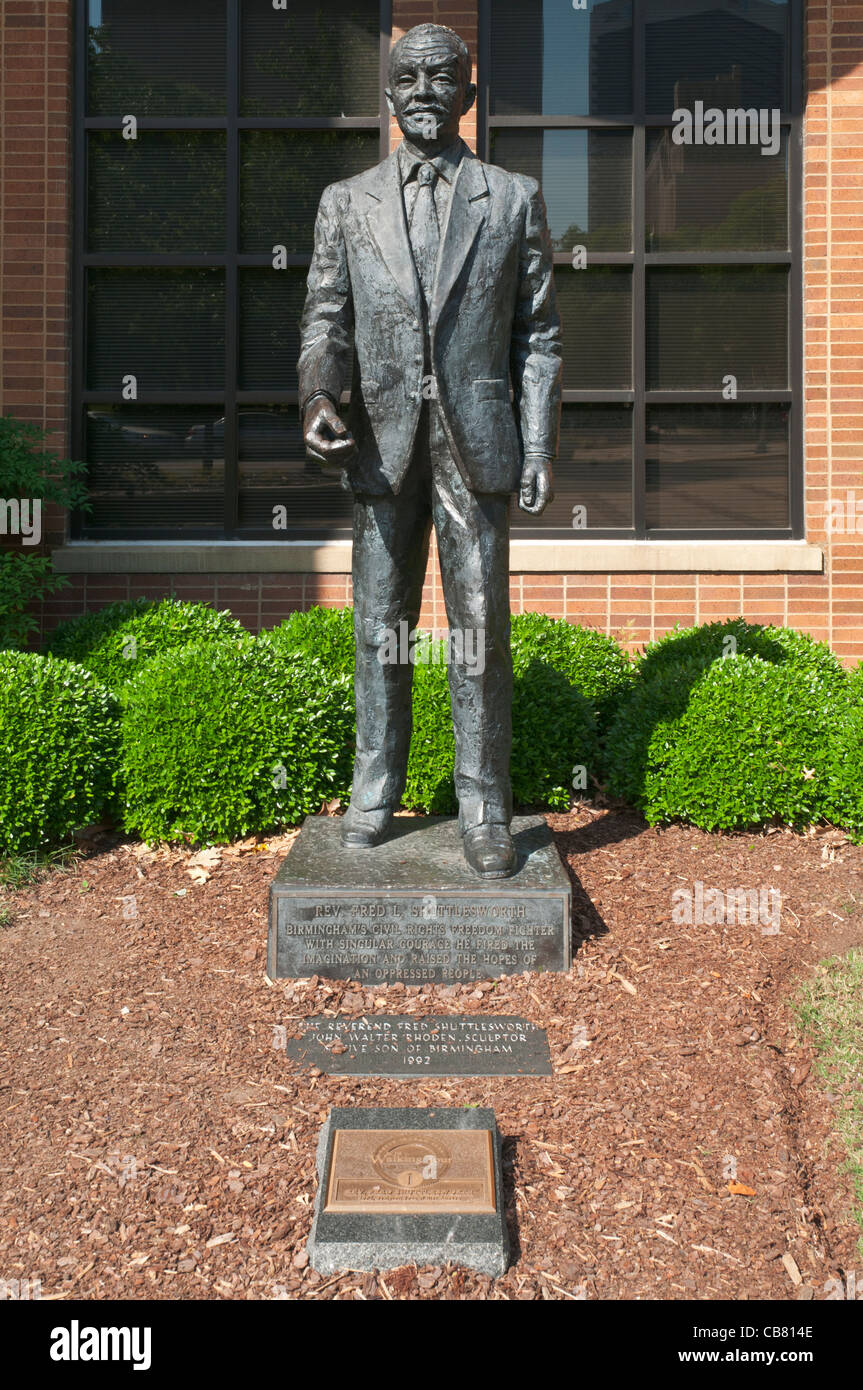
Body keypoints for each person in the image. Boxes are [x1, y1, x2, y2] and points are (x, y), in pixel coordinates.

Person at [298, 23, 562, 878]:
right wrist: (319, 397)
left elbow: (539, 337)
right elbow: (325, 320)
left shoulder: (512, 198)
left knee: (479, 628)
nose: (422, 91)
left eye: (441, 78)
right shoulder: (346, 200)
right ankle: (373, 794)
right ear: (387, 95)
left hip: (477, 443)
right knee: (381, 626)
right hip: (380, 445)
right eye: (407, 78)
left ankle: (486, 807)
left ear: (468, 97)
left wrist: (536, 443)